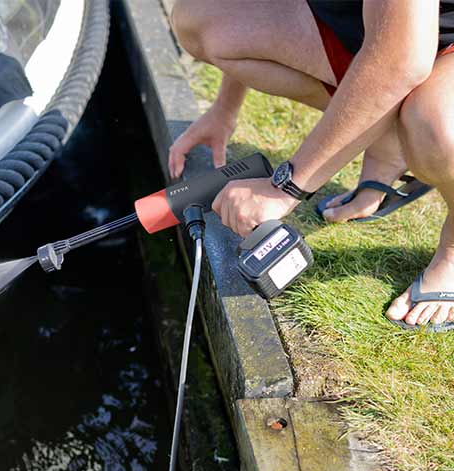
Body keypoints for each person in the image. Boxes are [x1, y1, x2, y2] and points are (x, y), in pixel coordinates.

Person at [167, 0, 454, 329]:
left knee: (438, 128)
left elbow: (402, 62)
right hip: (373, 24)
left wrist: (284, 188)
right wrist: (224, 110)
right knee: (199, 19)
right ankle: (388, 137)